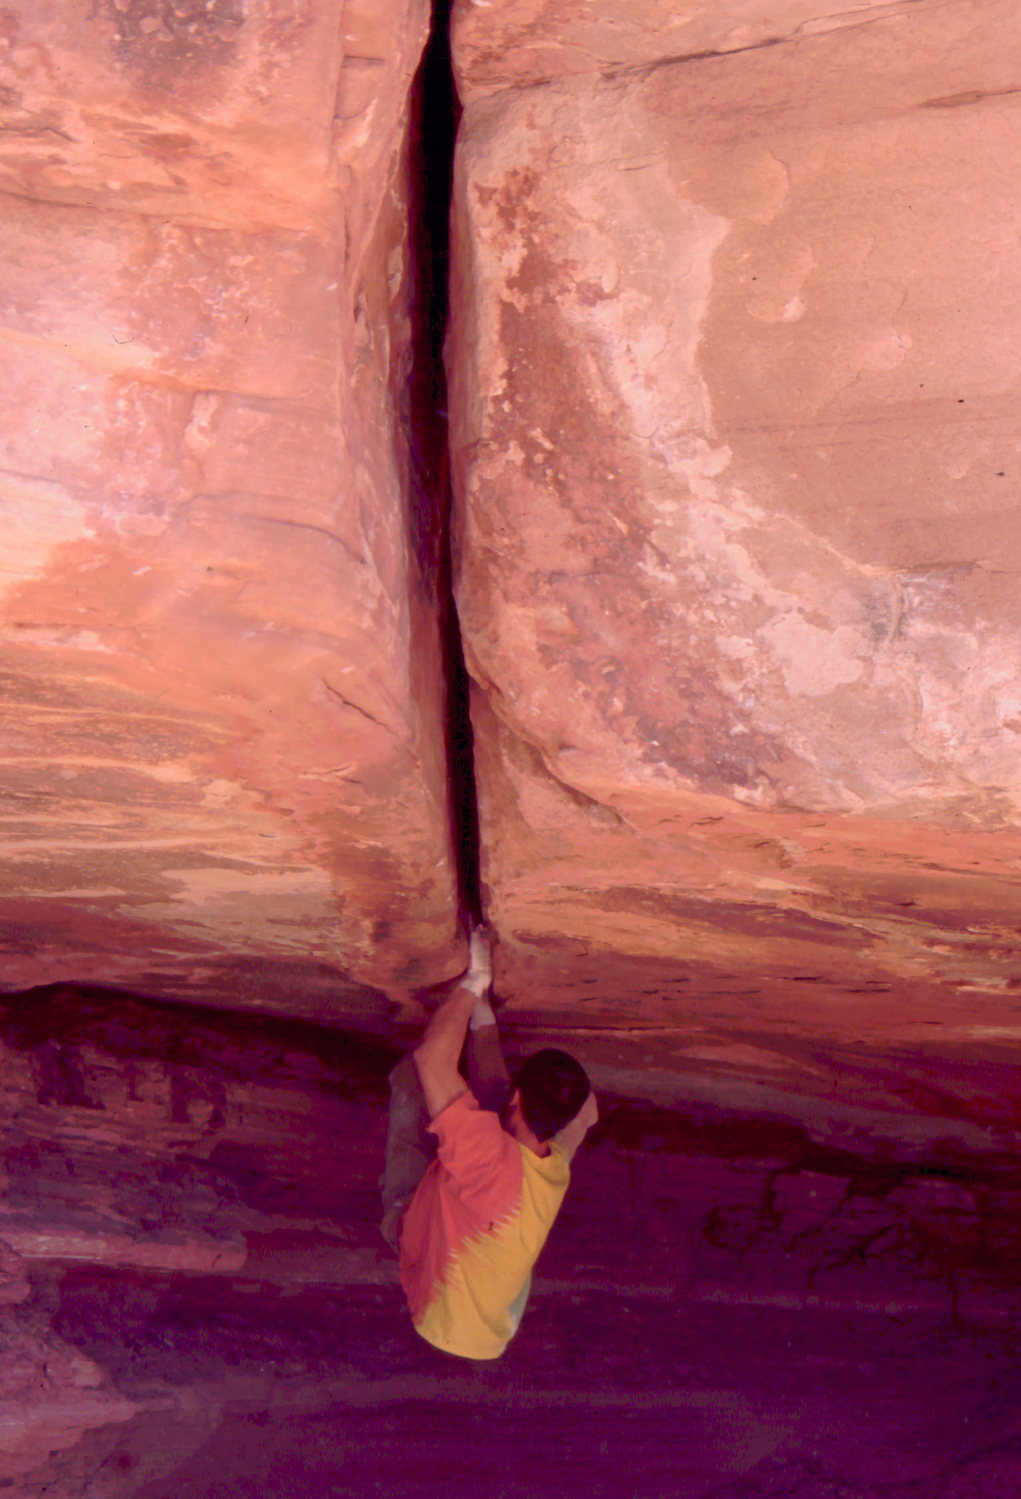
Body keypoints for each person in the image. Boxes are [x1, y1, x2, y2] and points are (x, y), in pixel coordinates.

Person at [380, 927, 598, 1360]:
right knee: (487, 1106)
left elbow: (431, 1060)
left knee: (411, 1081)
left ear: (520, 1097)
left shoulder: (491, 1159)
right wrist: (481, 1018)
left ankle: (472, 1038)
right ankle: (479, 1032)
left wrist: (473, 982)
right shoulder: (555, 1163)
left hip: (439, 1317)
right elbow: (585, 1109)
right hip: (490, 1331)